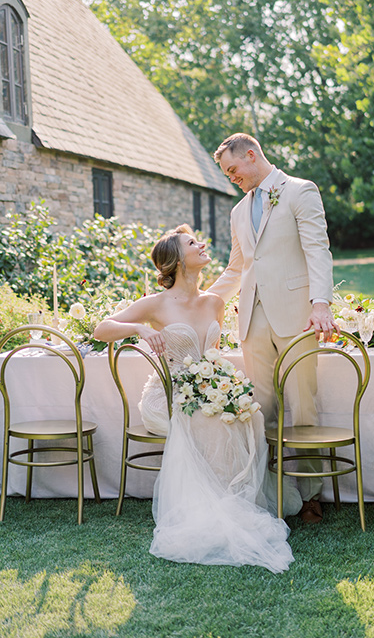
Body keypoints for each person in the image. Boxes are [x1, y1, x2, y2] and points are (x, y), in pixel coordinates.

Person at [94, 224, 300, 573]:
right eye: (192, 243)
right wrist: (141, 328)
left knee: (247, 413)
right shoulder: (155, 304)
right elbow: (101, 329)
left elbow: (213, 355)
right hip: (169, 395)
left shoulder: (215, 303)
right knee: (206, 417)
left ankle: (234, 501)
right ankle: (212, 509)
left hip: (209, 389)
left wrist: (223, 389)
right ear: (176, 260)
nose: (202, 244)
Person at [208, 133, 337, 525]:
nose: (231, 177)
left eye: (233, 169)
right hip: (252, 319)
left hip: (298, 317)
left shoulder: (300, 191)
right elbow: (236, 268)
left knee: (302, 404)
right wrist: (199, 302)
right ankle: (271, 493)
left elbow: (317, 248)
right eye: (226, 173)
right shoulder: (237, 212)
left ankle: (312, 495)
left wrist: (321, 304)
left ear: (251, 155)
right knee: (260, 410)